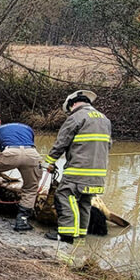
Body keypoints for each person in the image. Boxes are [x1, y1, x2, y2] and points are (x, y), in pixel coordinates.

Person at [44, 90, 112, 243]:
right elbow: (109, 145)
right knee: (85, 202)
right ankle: (81, 233)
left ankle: (66, 235)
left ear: (72, 104)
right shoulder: (105, 119)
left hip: (78, 170)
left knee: (64, 196)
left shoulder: (76, 117)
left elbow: (61, 142)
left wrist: (50, 161)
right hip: (98, 174)